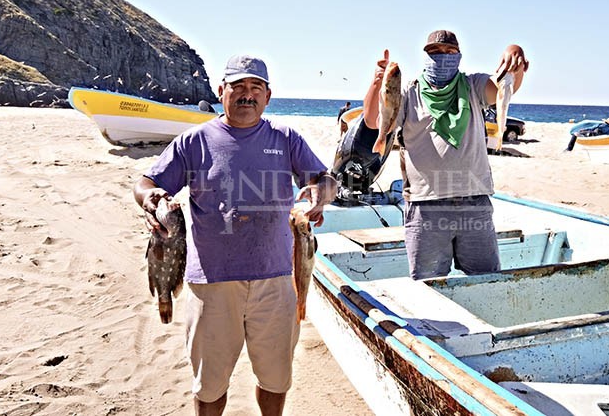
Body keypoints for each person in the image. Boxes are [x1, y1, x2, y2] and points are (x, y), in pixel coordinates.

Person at [133, 54, 337, 416]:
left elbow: (325, 180)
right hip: (211, 282)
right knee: (210, 384)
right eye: (238, 87)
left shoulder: (286, 138)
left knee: (275, 379)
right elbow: (147, 183)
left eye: (255, 87)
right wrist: (151, 199)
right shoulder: (193, 141)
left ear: (268, 96)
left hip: (276, 280)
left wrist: (319, 197)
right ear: (220, 90)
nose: (247, 95)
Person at [362, 29, 529, 280]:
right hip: (425, 205)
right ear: (425, 56)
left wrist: (515, 54)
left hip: (475, 203)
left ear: (459, 56)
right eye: (435, 52)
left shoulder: (473, 86)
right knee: (428, 284)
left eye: (450, 52)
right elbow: (373, 121)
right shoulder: (409, 92)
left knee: (486, 281)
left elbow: (505, 87)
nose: (443, 57)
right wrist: (378, 83)